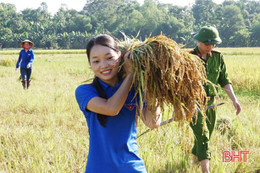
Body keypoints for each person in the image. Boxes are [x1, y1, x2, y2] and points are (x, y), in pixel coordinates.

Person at [75, 34, 162, 173]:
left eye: (109, 58)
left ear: (120, 56)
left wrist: (152, 85)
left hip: (132, 167)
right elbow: (111, 108)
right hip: (99, 169)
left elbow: (153, 123)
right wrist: (130, 75)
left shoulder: (135, 89)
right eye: (96, 61)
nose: (103, 65)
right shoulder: (85, 91)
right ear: (90, 65)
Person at [189, 26, 241, 173]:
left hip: (211, 103)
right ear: (198, 41)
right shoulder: (189, 58)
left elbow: (224, 80)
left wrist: (234, 100)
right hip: (194, 104)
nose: (210, 47)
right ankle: (206, 171)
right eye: (207, 44)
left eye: (213, 44)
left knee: (207, 134)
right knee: (203, 135)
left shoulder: (218, 57)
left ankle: (194, 160)